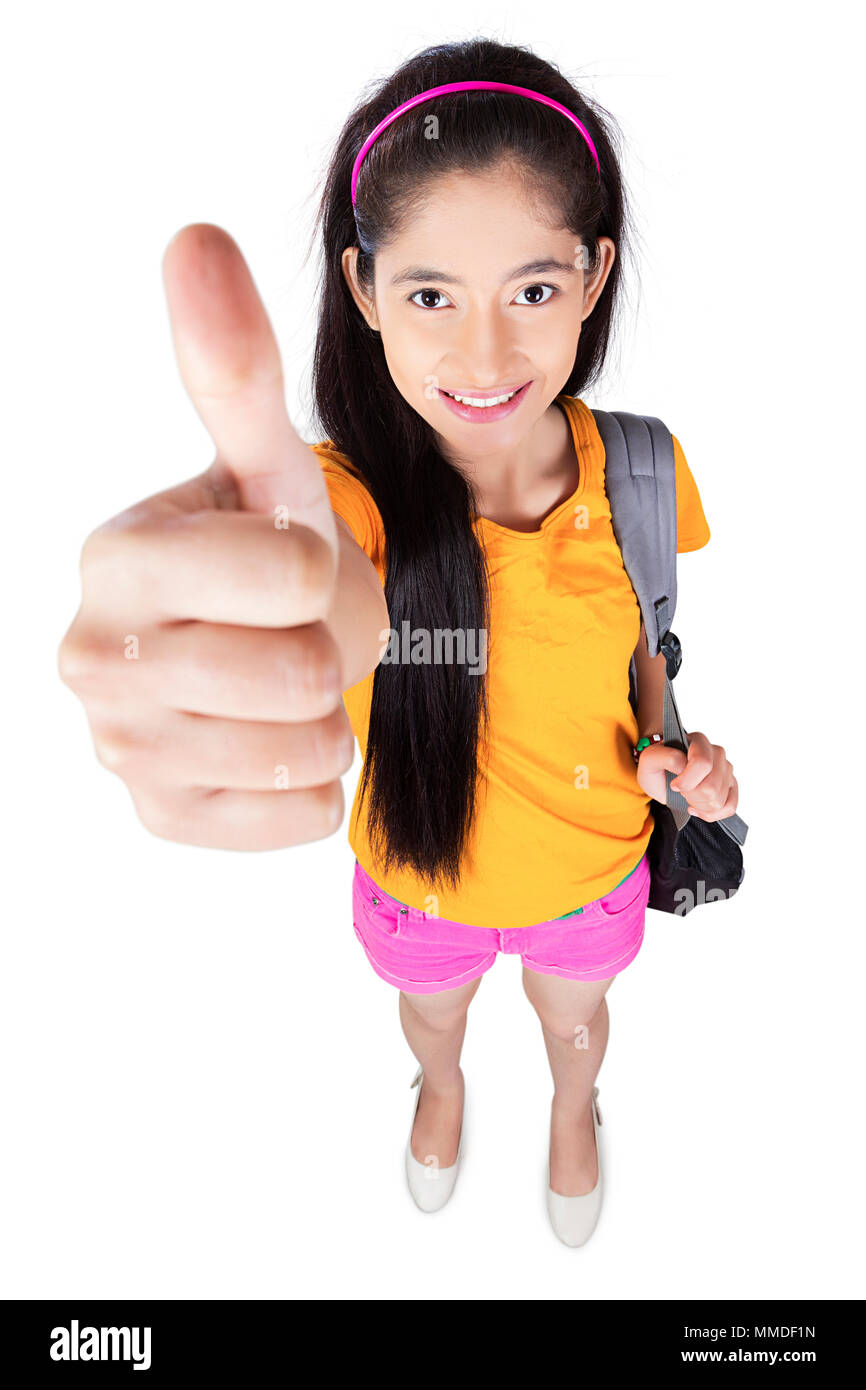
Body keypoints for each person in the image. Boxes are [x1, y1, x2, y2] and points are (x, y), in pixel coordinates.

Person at [58, 38, 739, 1246]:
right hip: (415, 889)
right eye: (430, 295)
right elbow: (328, 585)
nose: (484, 360)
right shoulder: (348, 503)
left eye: (531, 289)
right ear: (365, 292)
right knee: (434, 1022)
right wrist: (218, 620)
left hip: (593, 878)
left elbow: (643, 645)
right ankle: (440, 1087)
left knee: (573, 1027)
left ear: (592, 276)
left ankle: (574, 1111)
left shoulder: (641, 468)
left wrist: (665, 752)